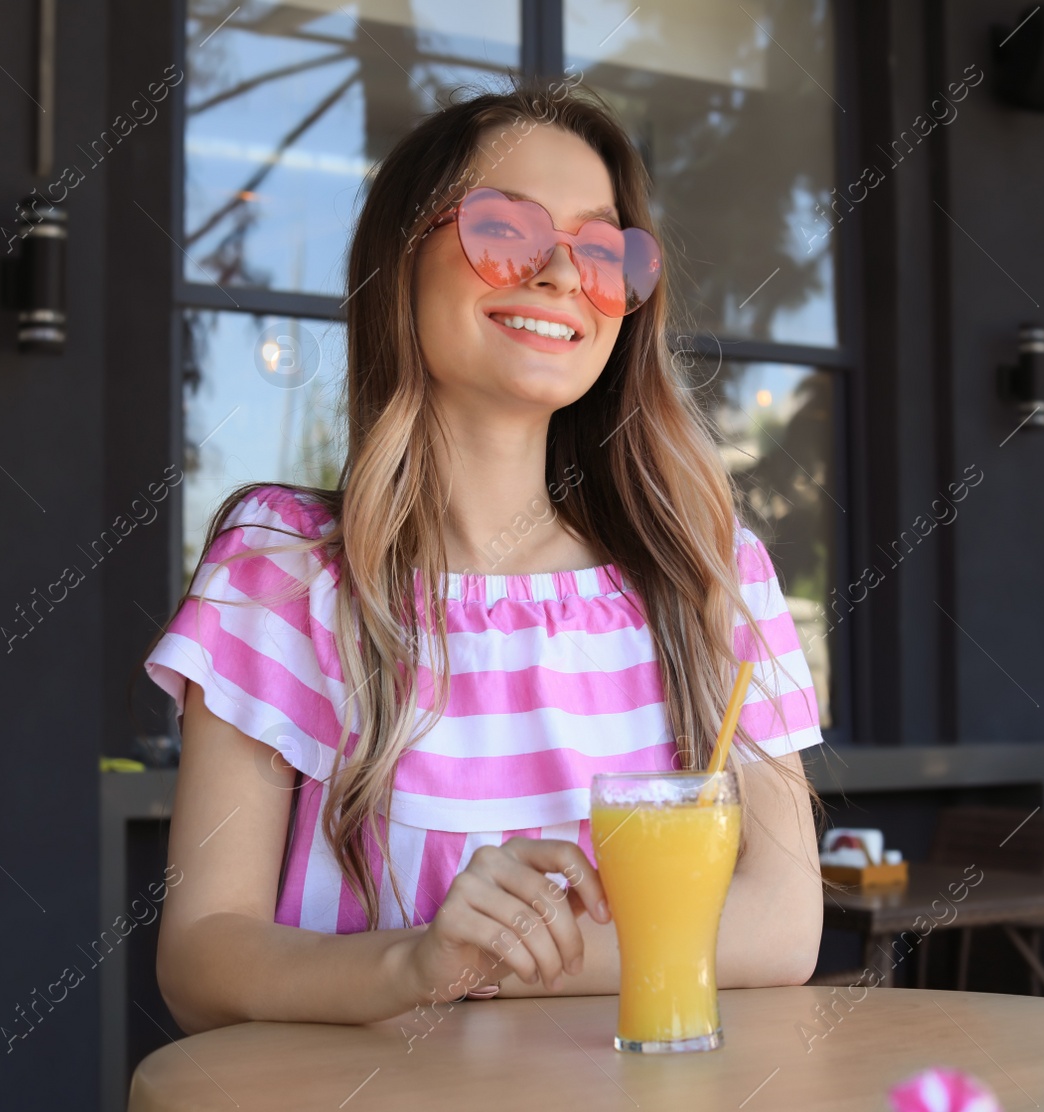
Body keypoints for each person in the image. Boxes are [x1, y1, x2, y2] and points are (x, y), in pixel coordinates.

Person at [141, 80, 825, 1033]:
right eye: (505, 228)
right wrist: (416, 962)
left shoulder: (708, 571)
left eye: (602, 249)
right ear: (402, 257)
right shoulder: (282, 571)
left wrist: (486, 962)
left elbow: (784, 927)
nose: (558, 274)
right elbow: (203, 953)